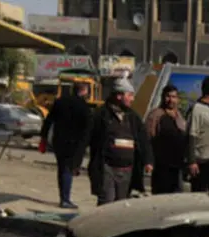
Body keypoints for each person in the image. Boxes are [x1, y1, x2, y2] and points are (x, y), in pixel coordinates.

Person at [73, 78, 153, 206]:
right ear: (119, 95)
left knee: (121, 206)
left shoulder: (133, 117)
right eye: (130, 95)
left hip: (127, 170)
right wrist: (76, 163)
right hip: (106, 169)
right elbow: (85, 139)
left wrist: (148, 161)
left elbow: (143, 141)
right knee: (106, 204)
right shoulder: (100, 115)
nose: (132, 99)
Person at [39, 82, 91, 208]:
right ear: (84, 91)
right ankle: (65, 199)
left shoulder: (60, 101)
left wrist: (43, 138)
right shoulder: (84, 106)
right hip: (75, 143)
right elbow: (88, 128)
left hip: (59, 141)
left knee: (62, 168)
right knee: (68, 169)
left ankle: (63, 196)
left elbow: (48, 120)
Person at [145, 84, 187, 194]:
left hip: (177, 167)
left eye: (174, 97)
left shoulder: (180, 117)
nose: (170, 100)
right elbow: (148, 139)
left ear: (178, 99)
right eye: (168, 96)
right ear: (163, 97)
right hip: (161, 167)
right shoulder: (155, 115)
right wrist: (149, 161)